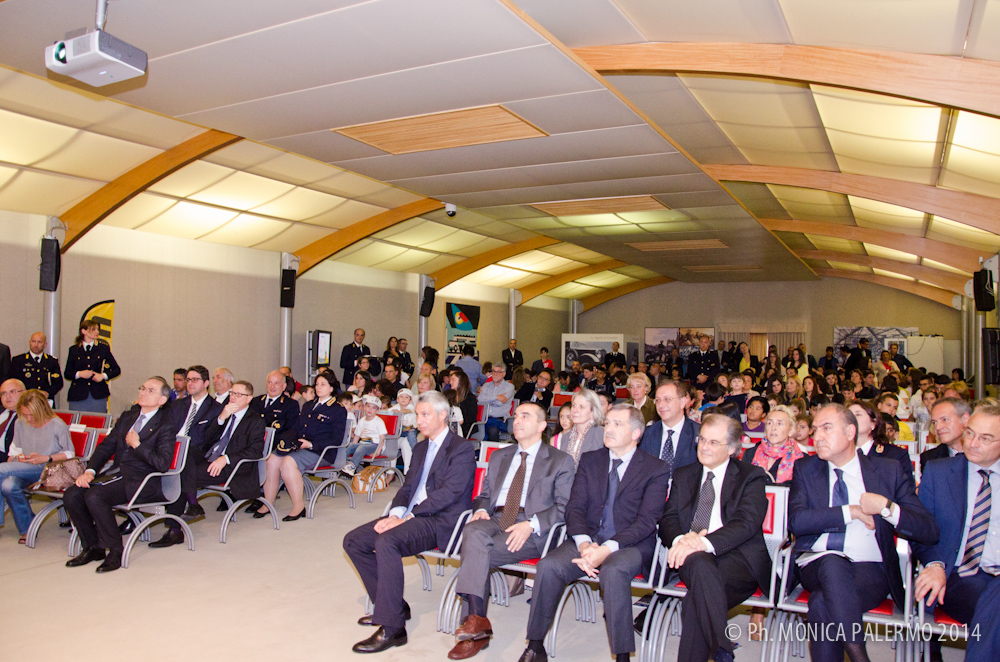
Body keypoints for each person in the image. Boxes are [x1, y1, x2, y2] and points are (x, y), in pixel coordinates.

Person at [515, 404, 670, 662]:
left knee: (614, 570)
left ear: (636, 433)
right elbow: (575, 507)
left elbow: (647, 521)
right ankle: (535, 646)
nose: (608, 429)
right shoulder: (591, 460)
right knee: (549, 566)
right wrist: (585, 544)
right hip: (588, 539)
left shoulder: (655, 468)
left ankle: (622, 656)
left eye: (617, 424)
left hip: (629, 544)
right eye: (607, 423)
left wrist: (606, 549)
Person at [787, 403, 939, 662]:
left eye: (826, 428)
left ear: (850, 432)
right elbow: (797, 522)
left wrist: (887, 508)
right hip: (815, 563)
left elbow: (928, 530)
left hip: (870, 569)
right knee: (832, 561)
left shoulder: (888, 470)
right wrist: (851, 512)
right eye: (815, 429)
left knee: (822, 603)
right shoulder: (806, 468)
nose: (816, 436)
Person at [344, 390, 475, 653]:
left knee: (387, 541)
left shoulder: (461, 448)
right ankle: (393, 606)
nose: (419, 421)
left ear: (443, 415)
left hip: (440, 520)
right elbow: (407, 487)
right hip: (410, 515)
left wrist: (408, 517)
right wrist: (395, 514)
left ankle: (393, 628)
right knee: (354, 541)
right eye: (417, 415)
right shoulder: (421, 447)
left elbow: (450, 493)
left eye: (425, 414)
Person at [446, 402, 576, 659]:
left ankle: (473, 631)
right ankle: (477, 622)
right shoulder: (500, 456)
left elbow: (564, 507)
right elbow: (484, 495)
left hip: (531, 526)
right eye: (516, 416)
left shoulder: (560, 461)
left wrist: (531, 524)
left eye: (525, 416)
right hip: (496, 517)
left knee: (475, 553)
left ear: (542, 425)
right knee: (472, 531)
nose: (517, 421)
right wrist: (480, 509)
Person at [661, 413, 771, 662]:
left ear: (731, 448)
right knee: (699, 561)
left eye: (713, 442)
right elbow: (668, 519)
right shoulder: (684, 474)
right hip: (690, 556)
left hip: (738, 558)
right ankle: (722, 649)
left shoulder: (751, 476)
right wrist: (681, 541)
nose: (704, 447)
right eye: (702, 440)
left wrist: (702, 543)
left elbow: (746, 523)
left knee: (695, 602)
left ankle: (721, 651)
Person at [64, 377, 176, 573]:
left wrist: (138, 445)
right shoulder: (128, 416)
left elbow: (163, 463)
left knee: (95, 496)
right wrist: (90, 471)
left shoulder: (165, 424)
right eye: (142, 388)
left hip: (142, 480)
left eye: (150, 390)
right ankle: (93, 547)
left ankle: (115, 551)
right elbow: (106, 446)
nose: (143, 392)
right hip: (115, 474)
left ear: (162, 400)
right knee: (73, 494)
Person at [150, 380, 265, 548]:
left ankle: (175, 530)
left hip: (233, 466)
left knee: (179, 476)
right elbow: (208, 439)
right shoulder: (224, 412)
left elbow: (256, 451)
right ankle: (193, 504)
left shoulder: (255, 420)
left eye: (239, 395)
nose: (233, 397)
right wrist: (221, 418)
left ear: (249, 398)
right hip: (210, 456)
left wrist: (225, 459)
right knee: (186, 452)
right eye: (232, 393)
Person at [256, 370, 346, 522]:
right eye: (317, 384)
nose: (318, 387)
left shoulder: (338, 409)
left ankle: (298, 506)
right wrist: (286, 441)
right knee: (271, 459)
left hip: (321, 451)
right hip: (300, 446)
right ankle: (268, 503)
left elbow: (336, 439)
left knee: (288, 462)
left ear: (331, 388)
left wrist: (311, 444)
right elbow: (296, 428)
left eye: (323, 384)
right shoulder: (308, 405)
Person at [0, 389, 74, 544]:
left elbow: (69, 454)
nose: (28, 418)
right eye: (25, 414)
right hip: (26, 467)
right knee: (8, 486)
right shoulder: (21, 422)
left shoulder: (57, 424)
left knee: (1, 469)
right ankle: (27, 528)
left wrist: (45, 458)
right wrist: (19, 457)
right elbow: (16, 449)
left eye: (31, 415)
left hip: (49, 469)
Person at [168, 365, 223, 520]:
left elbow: (210, 439)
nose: (190, 383)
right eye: (188, 380)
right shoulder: (178, 404)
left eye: (195, 380)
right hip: (174, 447)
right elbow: (168, 429)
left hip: (199, 450)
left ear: (206, 383)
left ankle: (188, 508)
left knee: (184, 457)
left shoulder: (216, 408)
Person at [640, 380, 699, 489]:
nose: (661, 405)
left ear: (683, 402)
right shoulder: (646, 434)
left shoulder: (699, 434)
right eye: (658, 400)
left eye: (667, 399)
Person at [847, 400, 914, 485]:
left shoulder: (895, 455)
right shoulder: (838, 454)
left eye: (858, 414)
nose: (852, 419)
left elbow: (907, 490)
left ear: (873, 423)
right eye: (849, 415)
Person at [63, 319, 120, 413]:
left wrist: (103, 376)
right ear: (83, 331)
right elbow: (67, 373)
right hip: (78, 394)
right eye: (93, 329)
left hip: (98, 394)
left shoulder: (103, 348)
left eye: (97, 329)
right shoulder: (74, 350)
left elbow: (116, 370)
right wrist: (79, 374)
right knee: (77, 421)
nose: (97, 332)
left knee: (98, 420)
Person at [742, 405, 802, 484]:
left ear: (791, 431)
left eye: (780, 424)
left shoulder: (801, 461)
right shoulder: (750, 454)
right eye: (770, 423)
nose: (773, 428)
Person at [250, 370, 301, 449]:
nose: (272, 386)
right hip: (252, 443)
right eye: (269, 382)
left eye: (276, 383)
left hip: (273, 446)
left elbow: (289, 430)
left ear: (284, 386)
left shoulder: (290, 404)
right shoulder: (255, 401)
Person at [341, 395, 389, 477]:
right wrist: (353, 446)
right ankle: (341, 463)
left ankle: (352, 466)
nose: (370, 409)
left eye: (374, 408)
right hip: (363, 444)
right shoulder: (361, 421)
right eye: (368, 406)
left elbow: (382, 438)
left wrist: (377, 452)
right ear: (364, 407)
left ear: (377, 411)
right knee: (351, 445)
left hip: (375, 445)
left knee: (362, 448)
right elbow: (356, 436)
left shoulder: (379, 421)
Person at [921, 397, 971, 473]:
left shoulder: (984, 454)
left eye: (945, 420)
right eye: (934, 422)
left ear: (965, 419)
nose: (937, 427)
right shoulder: (930, 459)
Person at [556, 390, 605, 466]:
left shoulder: (601, 434)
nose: (575, 410)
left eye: (581, 407)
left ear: (593, 412)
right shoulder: (565, 438)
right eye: (574, 405)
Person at [11, 332, 63, 402]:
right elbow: (15, 383)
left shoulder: (52, 361)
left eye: (39, 342)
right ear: (29, 343)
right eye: (33, 341)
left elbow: (59, 383)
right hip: (26, 400)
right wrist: (31, 393)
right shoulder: (19, 360)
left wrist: (48, 393)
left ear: (45, 344)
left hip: (45, 400)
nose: (36, 345)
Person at [477, 362, 514, 441]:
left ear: (504, 374)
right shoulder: (486, 385)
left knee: (492, 431)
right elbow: (480, 399)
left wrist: (488, 400)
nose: (495, 374)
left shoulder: (509, 387)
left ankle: (490, 448)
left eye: (498, 372)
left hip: (500, 420)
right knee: (471, 429)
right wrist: (497, 397)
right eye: (493, 371)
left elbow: (500, 403)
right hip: (484, 419)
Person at [0, 378, 27, 462]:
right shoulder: (1, 412)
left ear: (24, 393)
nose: (8, 396)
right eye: (4, 393)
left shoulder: (28, 416)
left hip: (7, 458)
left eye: (12, 392)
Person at [447, 370, 478, 437]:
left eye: (453, 380)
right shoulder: (450, 396)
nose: (450, 382)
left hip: (466, 428)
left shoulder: (470, 398)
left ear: (461, 381)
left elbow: (471, 418)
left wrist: (457, 421)